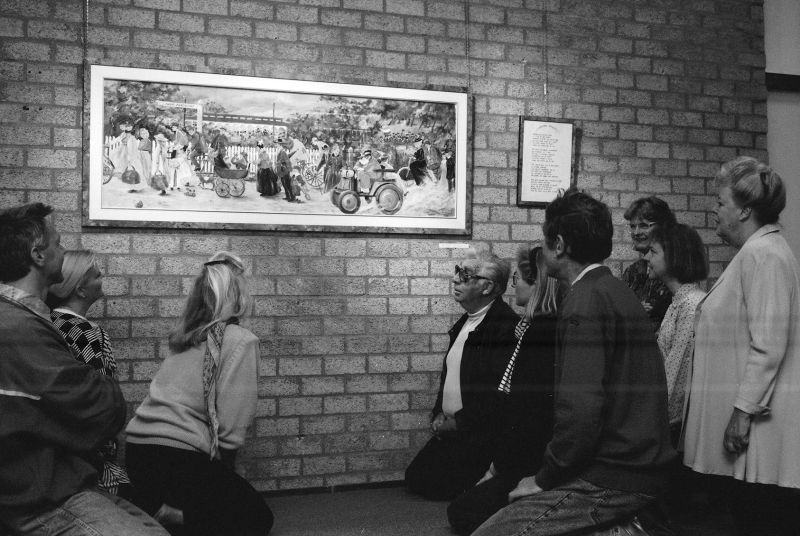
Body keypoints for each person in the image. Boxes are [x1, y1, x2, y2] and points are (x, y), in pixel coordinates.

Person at [472, 189, 676, 536]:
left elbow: (581, 410)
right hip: (638, 468)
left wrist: (543, 479)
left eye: (544, 241)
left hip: (615, 477)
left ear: (560, 245)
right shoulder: (613, 289)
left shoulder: (585, 300)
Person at [0, 203, 167, 536]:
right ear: (38, 255)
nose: (64, 251)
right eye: (58, 243)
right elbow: (101, 408)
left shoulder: (28, 319)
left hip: (60, 477)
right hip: (38, 495)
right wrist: (104, 394)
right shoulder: (16, 329)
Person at [683, 156, 800, 536]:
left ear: (745, 210)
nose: (714, 210)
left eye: (721, 202)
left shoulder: (764, 254)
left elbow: (769, 344)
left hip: (760, 436)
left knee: (760, 521)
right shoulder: (757, 252)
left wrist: (742, 413)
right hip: (754, 435)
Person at [125, 251, 274, 536]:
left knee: (214, 501)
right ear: (237, 296)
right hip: (179, 459)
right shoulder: (241, 340)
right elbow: (231, 426)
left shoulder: (185, 337)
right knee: (257, 517)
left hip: (137, 455)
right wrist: (225, 476)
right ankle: (174, 516)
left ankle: (161, 509)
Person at [447, 246, 560, 534]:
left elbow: (522, 410)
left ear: (536, 284)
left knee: (462, 512)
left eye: (517, 280)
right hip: (515, 449)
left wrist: (499, 467)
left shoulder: (538, 332)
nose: (514, 286)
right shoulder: (528, 327)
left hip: (527, 456)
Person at [405, 250, 519, 500]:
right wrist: (438, 412)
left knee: (435, 487)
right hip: (456, 430)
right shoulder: (465, 323)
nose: (455, 279)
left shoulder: (505, 327)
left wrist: (457, 423)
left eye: (465, 275)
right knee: (415, 477)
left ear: (487, 287)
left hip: (477, 434)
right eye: (458, 271)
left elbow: (497, 397)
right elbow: (450, 375)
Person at [46, 250, 133, 497]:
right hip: (90, 459)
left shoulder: (48, 322)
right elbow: (100, 400)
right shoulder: (87, 332)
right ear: (81, 290)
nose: (102, 277)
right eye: (96, 275)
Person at [642, 224, 708, 444]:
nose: (646, 257)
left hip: (672, 431)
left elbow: (676, 378)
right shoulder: (678, 302)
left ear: (673, 256)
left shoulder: (690, 305)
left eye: (653, 251)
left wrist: (652, 428)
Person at [622, 196, 677, 329]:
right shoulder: (632, 272)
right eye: (632, 226)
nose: (636, 233)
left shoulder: (676, 269)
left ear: (663, 227)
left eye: (643, 225)